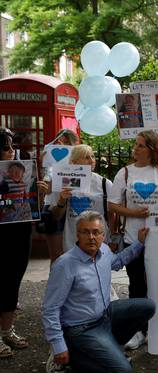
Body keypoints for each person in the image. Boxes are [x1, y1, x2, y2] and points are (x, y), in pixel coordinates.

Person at [41, 211, 155, 373]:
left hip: (105, 316)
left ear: (103, 235)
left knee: (147, 307)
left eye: (96, 232)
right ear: (77, 234)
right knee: (122, 371)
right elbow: (50, 309)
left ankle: (111, 345)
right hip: (80, 328)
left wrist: (139, 243)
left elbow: (118, 261)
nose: (91, 237)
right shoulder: (65, 265)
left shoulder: (104, 250)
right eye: (85, 232)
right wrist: (58, 345)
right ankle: (72, 356)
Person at [109, 130, 158, 349]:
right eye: (135, 145)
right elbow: (113, 205)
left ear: (152, 149)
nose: (135, 149)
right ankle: (137, 329)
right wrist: (135, 214)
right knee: (137, 284)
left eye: (140, 145)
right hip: (134, 239)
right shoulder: (125, 173)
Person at [0, 129, 40, 357]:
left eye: (11, 146)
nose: (12, 151)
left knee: (13, 281)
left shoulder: (23, 171)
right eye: (6, 147)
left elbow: (29, 203)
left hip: (19, 232)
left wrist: (39, 193)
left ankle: (7, 330)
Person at [46, 145, 114, 253]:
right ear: (74, 162)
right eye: (86, 157)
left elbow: (111, 214)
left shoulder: (105, 183)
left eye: (93, 157)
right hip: (72, 241)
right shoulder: (63, 182)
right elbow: (56, 216)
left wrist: (112, 237)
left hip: (100, 240)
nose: (91, 161)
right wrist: (62, 201)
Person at [42, 129, 79, 264]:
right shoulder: (50, 162)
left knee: (73, 252)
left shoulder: (77, 161)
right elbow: (47, 189)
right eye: (59, 142)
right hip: (54, 207)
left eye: (67, 143)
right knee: (57, 256)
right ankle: (56, 285)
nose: (62, 145)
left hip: (74, 208)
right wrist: (46, 164)